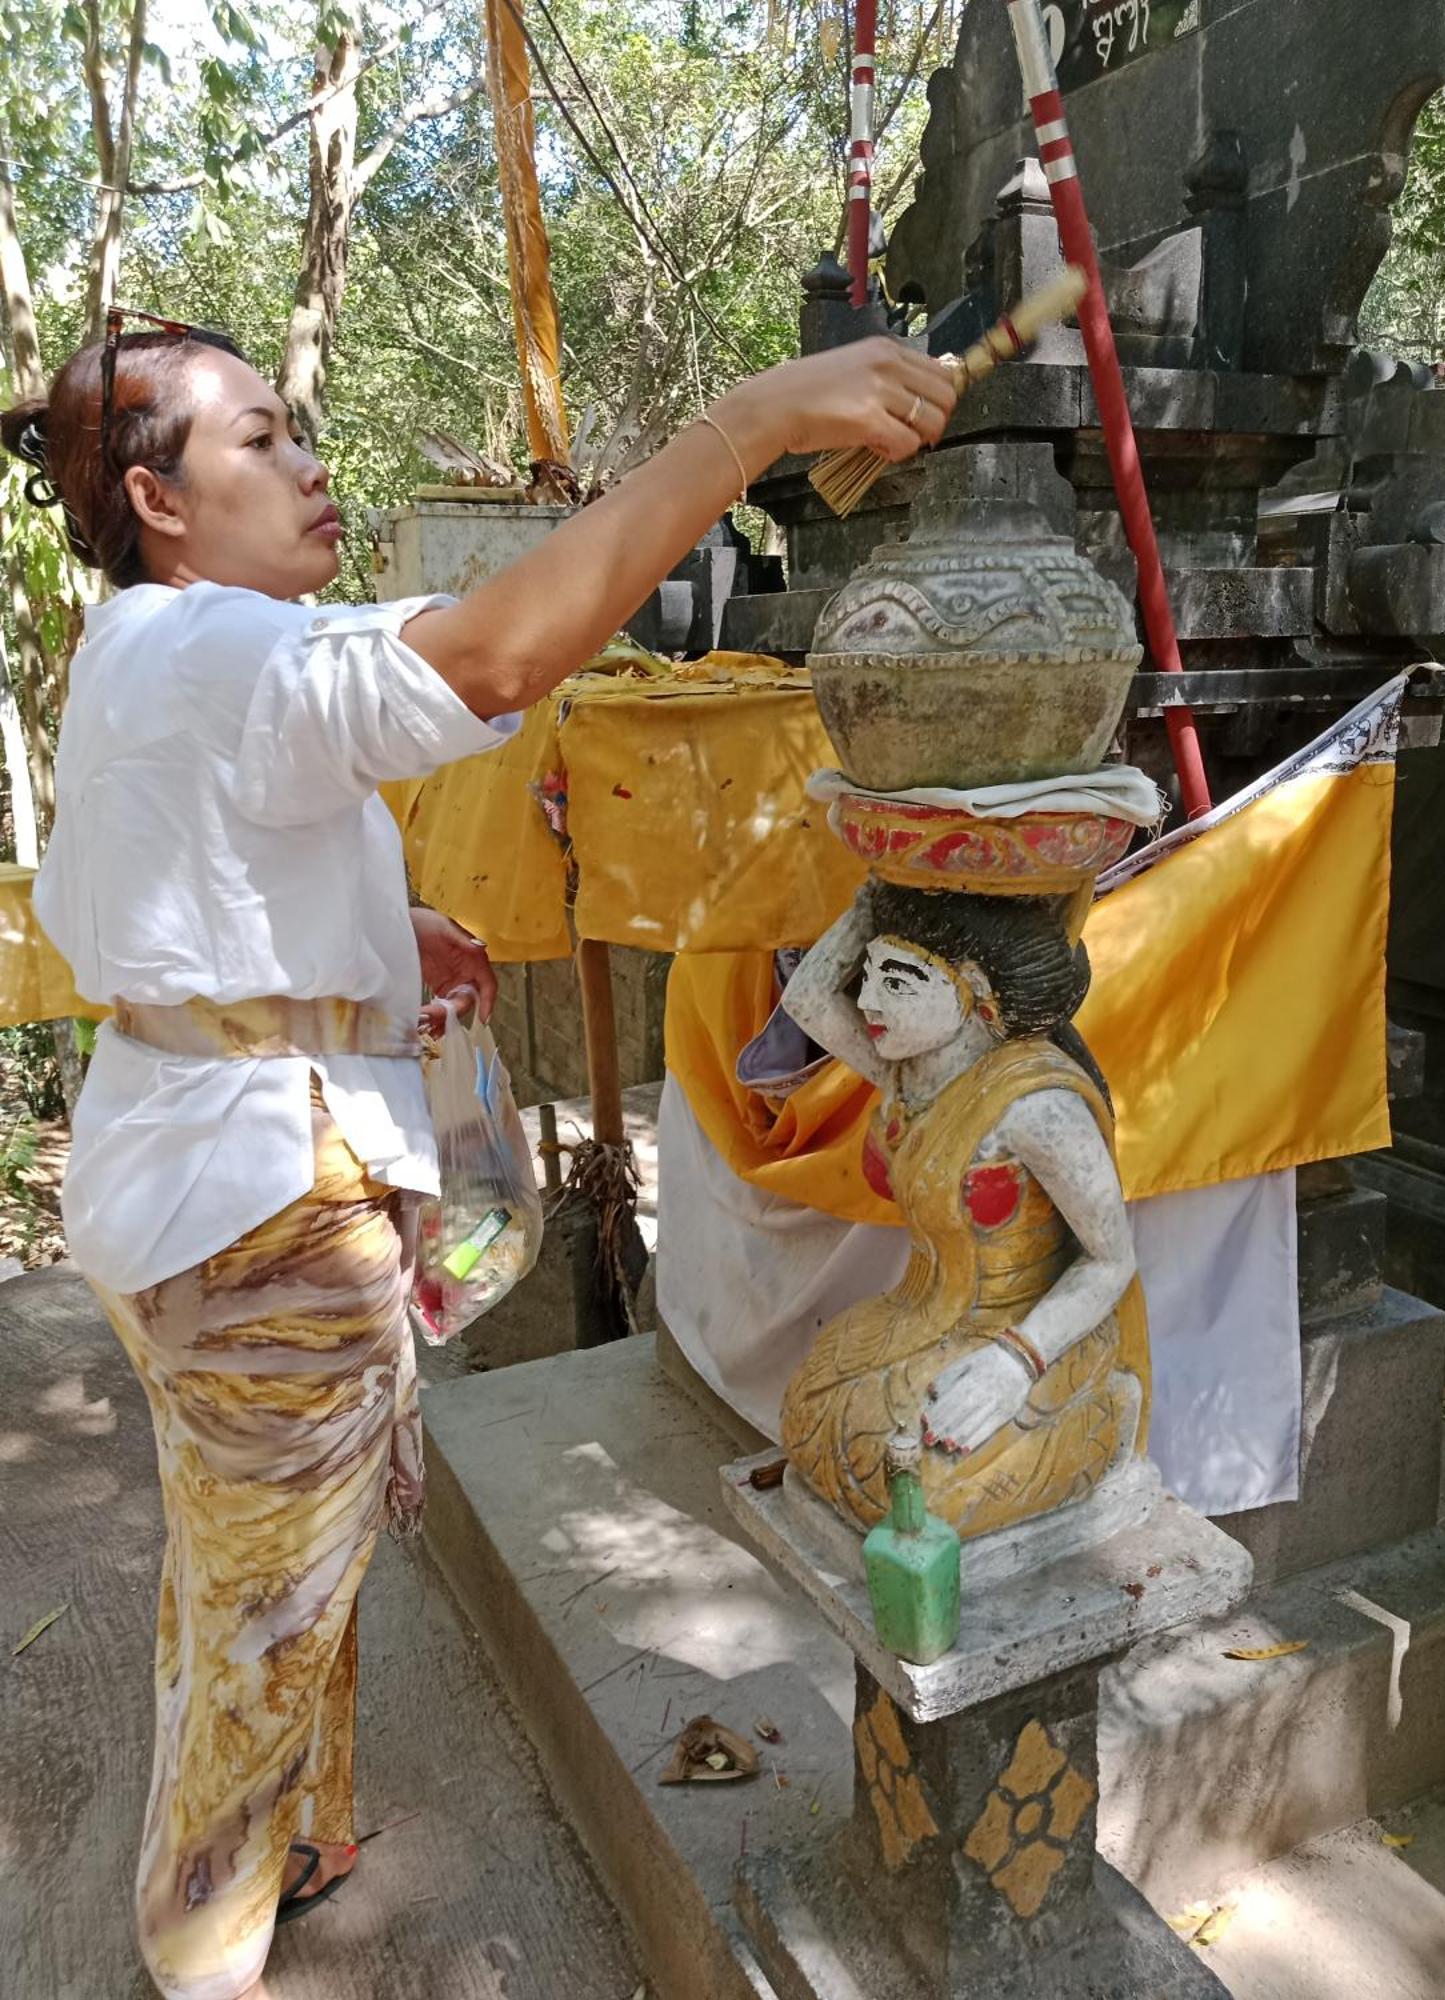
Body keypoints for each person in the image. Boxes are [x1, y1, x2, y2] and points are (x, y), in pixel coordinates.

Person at [0, 309, 956, 2000]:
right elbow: (503, 658)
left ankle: (297, 1843)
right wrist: (742, 423)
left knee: (253, 1574)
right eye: (260, 439)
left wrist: (386, 934)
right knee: (259, 1621)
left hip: (192, 1166)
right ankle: (197, 1949)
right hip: (260, 1214)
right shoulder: (209, 646)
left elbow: (222, 874)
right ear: (158, 503)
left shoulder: (157, 652)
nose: (310, 465)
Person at [778, 881, 1148, 1538]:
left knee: (904, 1490)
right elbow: (806, 999)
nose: (865, 1002)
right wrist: (877, 891)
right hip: (922, 1316)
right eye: (866, 975)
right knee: (808, 1414)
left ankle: (1102, 1416)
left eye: (897, 982)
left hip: (1030, 1337)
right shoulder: (908, 1067)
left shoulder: (1035, 1107)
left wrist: (1014, 1365)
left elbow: (1111, 1261)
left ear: (971, 985)